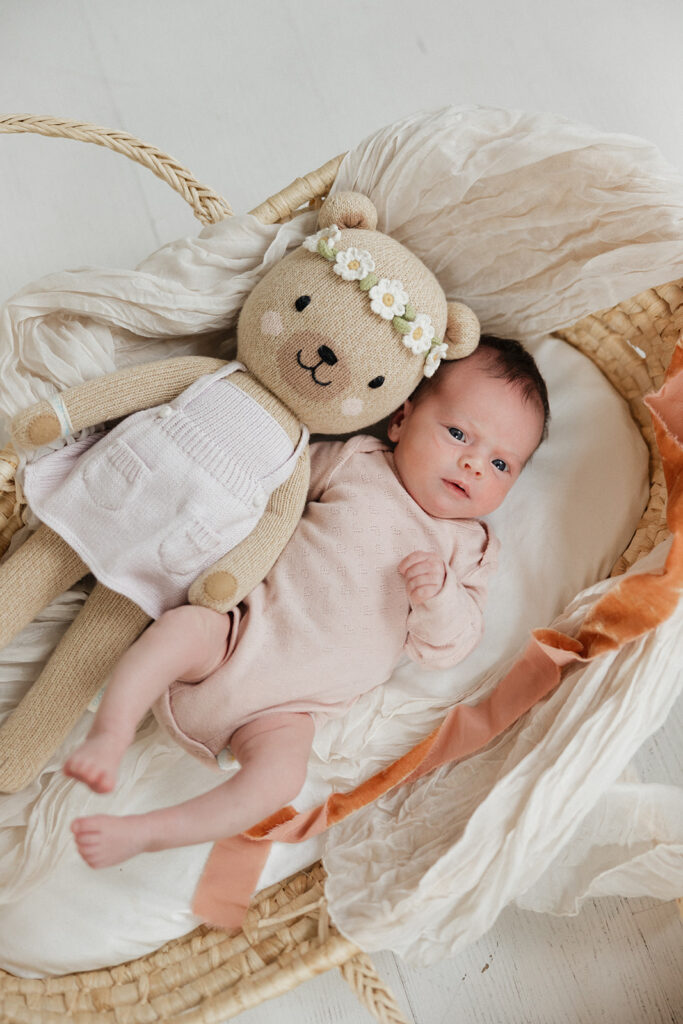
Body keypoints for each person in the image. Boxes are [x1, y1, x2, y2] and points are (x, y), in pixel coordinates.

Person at [64, 336, 550, 868]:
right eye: (459, 434)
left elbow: (450, 646)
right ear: (401, 420)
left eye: (502, 464)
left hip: (288, 715)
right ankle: (110, 733)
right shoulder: (356, 462)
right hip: (235, 634)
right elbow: (272, 485)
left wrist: (440, 599)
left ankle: (148, 832)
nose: (474, 465)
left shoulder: (471, 549)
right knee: (182, 629)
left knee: (279, 781)